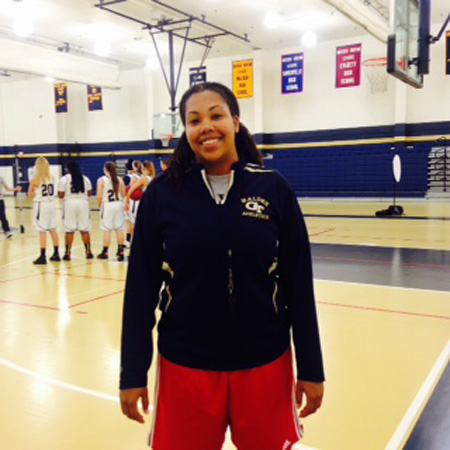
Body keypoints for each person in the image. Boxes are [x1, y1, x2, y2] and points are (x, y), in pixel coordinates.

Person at [119, 82, 325, 450]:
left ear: (235, 122)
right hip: (186, 365)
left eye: (216, 115)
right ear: (185, 130)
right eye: (194, 120)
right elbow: (140, 290)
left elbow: (298, 285)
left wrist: (311, 367)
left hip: (264, 363)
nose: (206, 126)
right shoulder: (163, 194)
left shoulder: (273, 189)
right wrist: (132, 372)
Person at [58, 160, 93, 261]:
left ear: (68, 169)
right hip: (83, 203)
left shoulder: (64, 179)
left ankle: (68, 253)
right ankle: (88, 252)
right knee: (85, 229)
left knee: (69, 230)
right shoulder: (85, 178)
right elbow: (90, 193)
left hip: (69, 203)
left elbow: (60, 195)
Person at [28, 156, 60, 264]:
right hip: (51, 204)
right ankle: (56, 253)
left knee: (42, 231)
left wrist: (34, 191)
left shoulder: (35, 179)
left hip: (41, 205)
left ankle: (42, 256)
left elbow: (30, 194)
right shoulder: (51, 177)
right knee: (53, 229)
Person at [96, 161, 126, 261]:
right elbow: (123, 193)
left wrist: (99, 206)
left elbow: (99, 196)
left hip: (107, 205)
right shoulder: (120, 180)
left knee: (107, 229)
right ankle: (121, 251)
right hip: (118, 204)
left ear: (105, 169)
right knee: (119, 229)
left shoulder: (101, 180)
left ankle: (105, 251)